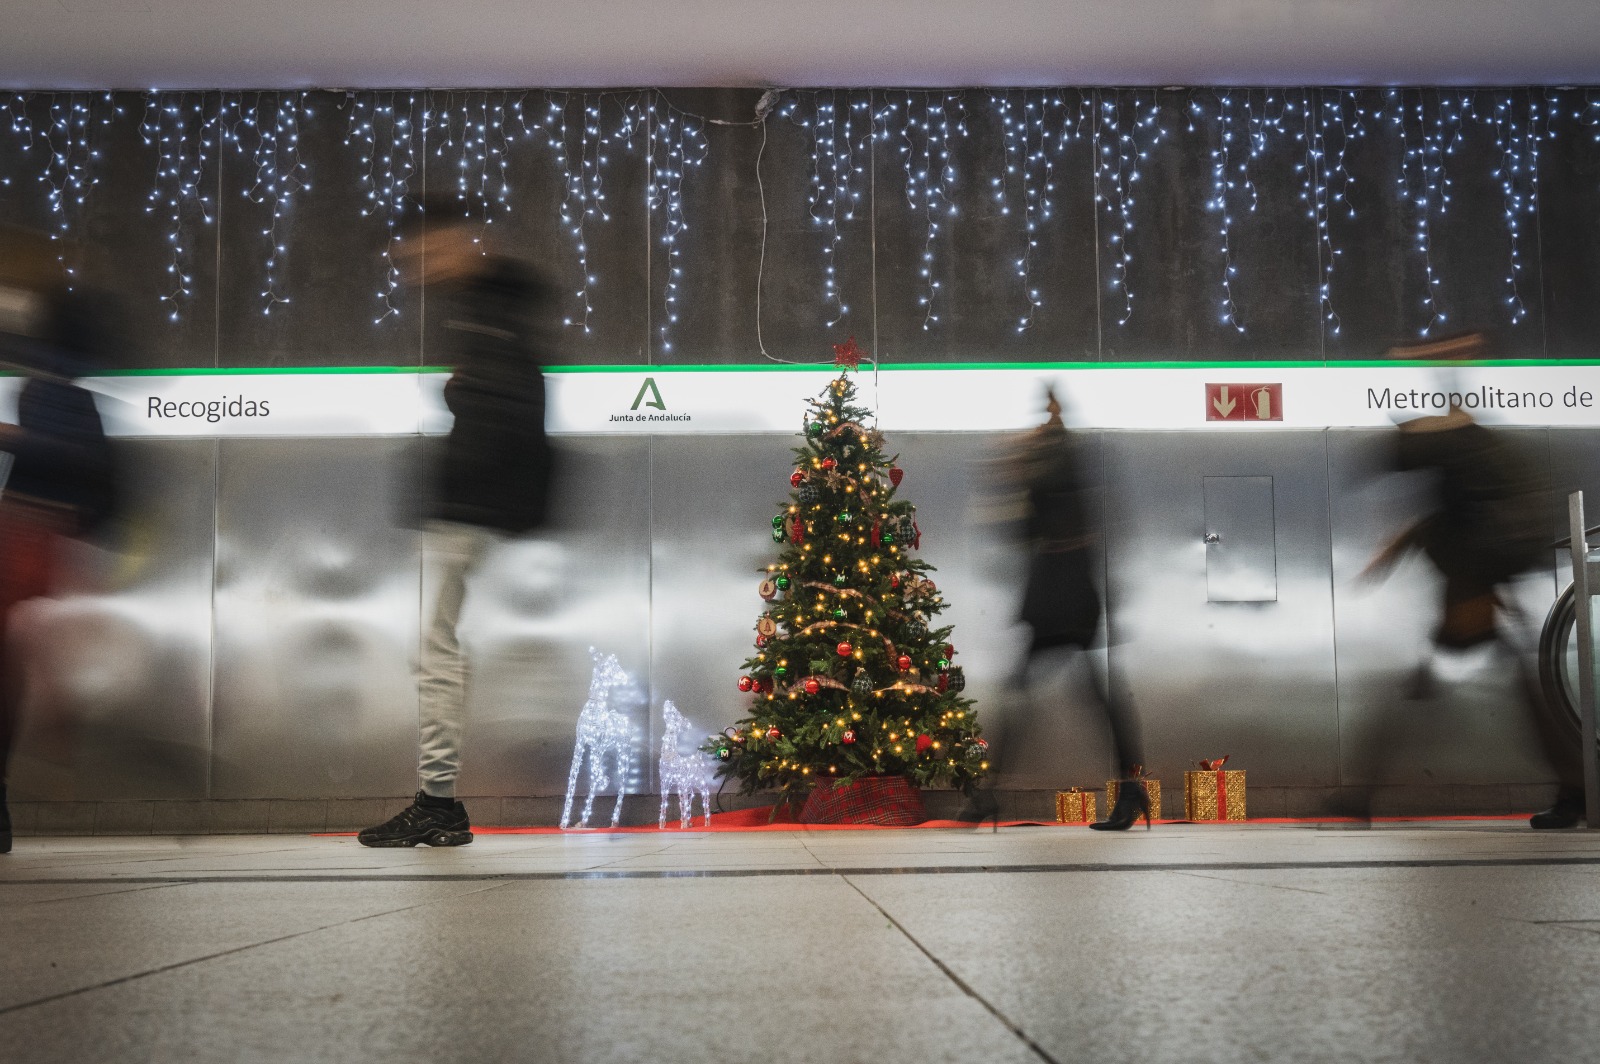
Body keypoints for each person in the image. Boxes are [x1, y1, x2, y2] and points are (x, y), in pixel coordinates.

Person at [358, 200, 555, 848]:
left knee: (436, 654)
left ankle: (437, 803)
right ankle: (438, 802)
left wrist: (461, 483)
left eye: (422, 253)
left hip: (466, 510)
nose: (415, 266)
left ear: (459, 243)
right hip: (471, 508)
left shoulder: (491, 312)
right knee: (437, 652)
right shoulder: (494, 310)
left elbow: (506, 409)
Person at [1362, 331, 1578, 828]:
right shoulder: (1469, 534)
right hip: (1501, 538)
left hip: (1500, 538)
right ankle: (1576, 788)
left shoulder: (1466, 543)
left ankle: (1362, 791)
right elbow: (1445, 451)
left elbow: (1434, 458)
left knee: (1471, 673)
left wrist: (1387, 558)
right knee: (1519, 683)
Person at [958, 388, 1150, 830]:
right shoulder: (1072, 470)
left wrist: (1011, 472)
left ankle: (990, 793)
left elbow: (1019, 530)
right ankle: (1131, 786)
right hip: (1068, 594)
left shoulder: (1054, 470)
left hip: (1057, 597)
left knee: (1032, 692)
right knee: (1091, 696)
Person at [0, 226, 119, 854]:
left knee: (19, 658)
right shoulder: (59, 372)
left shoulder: (57, 382)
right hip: (40, 526)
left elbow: (70, 452)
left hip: (35, 525)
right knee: (24, 658)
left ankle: (45, 754)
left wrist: (13, 438)